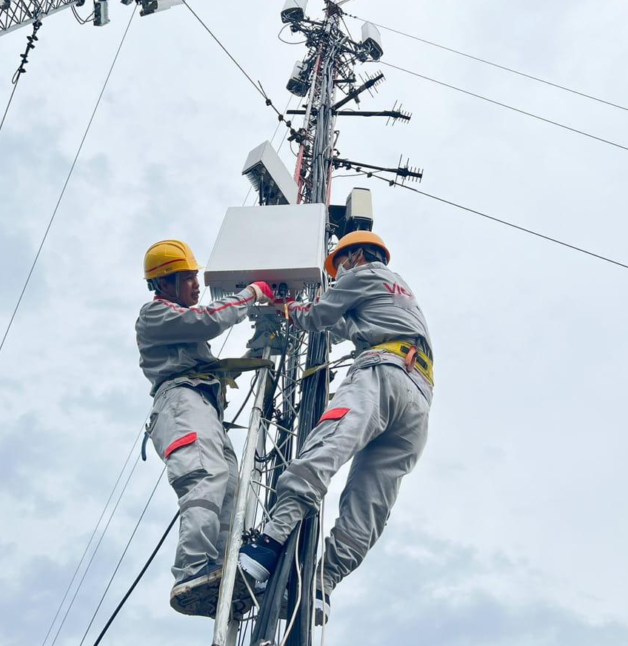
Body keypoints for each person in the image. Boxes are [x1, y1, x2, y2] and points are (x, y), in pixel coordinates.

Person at [238, 231, 433, 623]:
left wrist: (289, 308)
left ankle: (268, 548)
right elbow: (344, 325)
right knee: (370, 504)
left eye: (340, 264)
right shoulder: (398, 292)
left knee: (324, 449)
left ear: (357, 255)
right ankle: (321, 585)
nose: (338, 272)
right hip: (419, 396)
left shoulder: (362, 273)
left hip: (381, 373)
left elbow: (320, 317)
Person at [136, 239, 273, 616]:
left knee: (229, 484)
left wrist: (260, 347)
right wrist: (251, 295)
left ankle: (220, 570)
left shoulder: (179, 328)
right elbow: (208, 321)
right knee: (205, 476)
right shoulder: (156, 315)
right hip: (180, 404)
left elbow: (211, 357)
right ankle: (193, 569)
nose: (196, 285)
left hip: (201, 407)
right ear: (164, 283)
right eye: (187, 278)